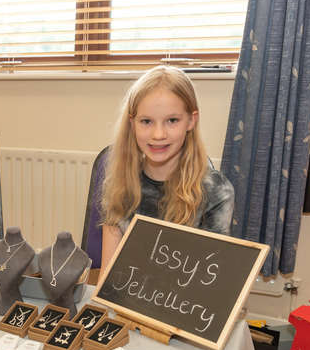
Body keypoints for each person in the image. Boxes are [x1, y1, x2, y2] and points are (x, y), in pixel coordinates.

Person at [100, 65, 234, 270]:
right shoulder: (119, 183)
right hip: (125, 298)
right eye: (146, 121)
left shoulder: (216, 191)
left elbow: (212, 279)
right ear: (132, 123)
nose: (158, 134)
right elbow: (108, 275)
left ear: (191, 120)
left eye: (172, 120)